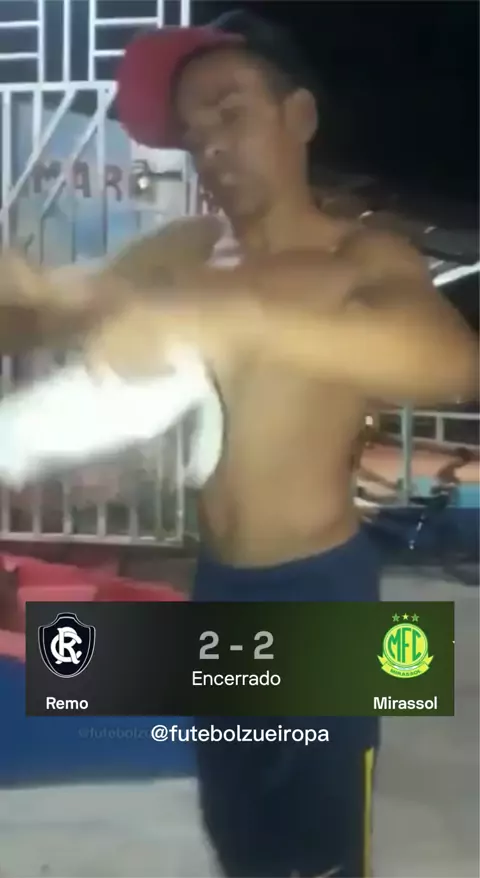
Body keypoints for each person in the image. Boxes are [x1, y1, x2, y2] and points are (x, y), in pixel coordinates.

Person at [2, 11, 477, 877]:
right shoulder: (183, 250)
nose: (209, 146)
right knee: (237, 822)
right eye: (192, 133)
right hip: (218, 584)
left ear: (299, 115)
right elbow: (48, 314)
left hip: (320, 593)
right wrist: (30, 293)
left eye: (230, 113)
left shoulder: (358, 256)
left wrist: (232, 316)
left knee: (324, 845)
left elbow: (450, 362)